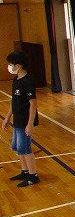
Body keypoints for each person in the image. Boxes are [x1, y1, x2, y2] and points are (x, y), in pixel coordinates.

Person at [2, 50, 40, 187]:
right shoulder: (16, 80)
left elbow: (33, 103)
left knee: (25, 148)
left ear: (18, 66)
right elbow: (14, 101)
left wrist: (30, 124)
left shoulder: (28, 81)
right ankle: (25, 171)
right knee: (18, 148)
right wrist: (7, 117)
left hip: (25, 120)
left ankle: (33, 175)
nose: (9, 67)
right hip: (17, 120)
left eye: (11, 64)